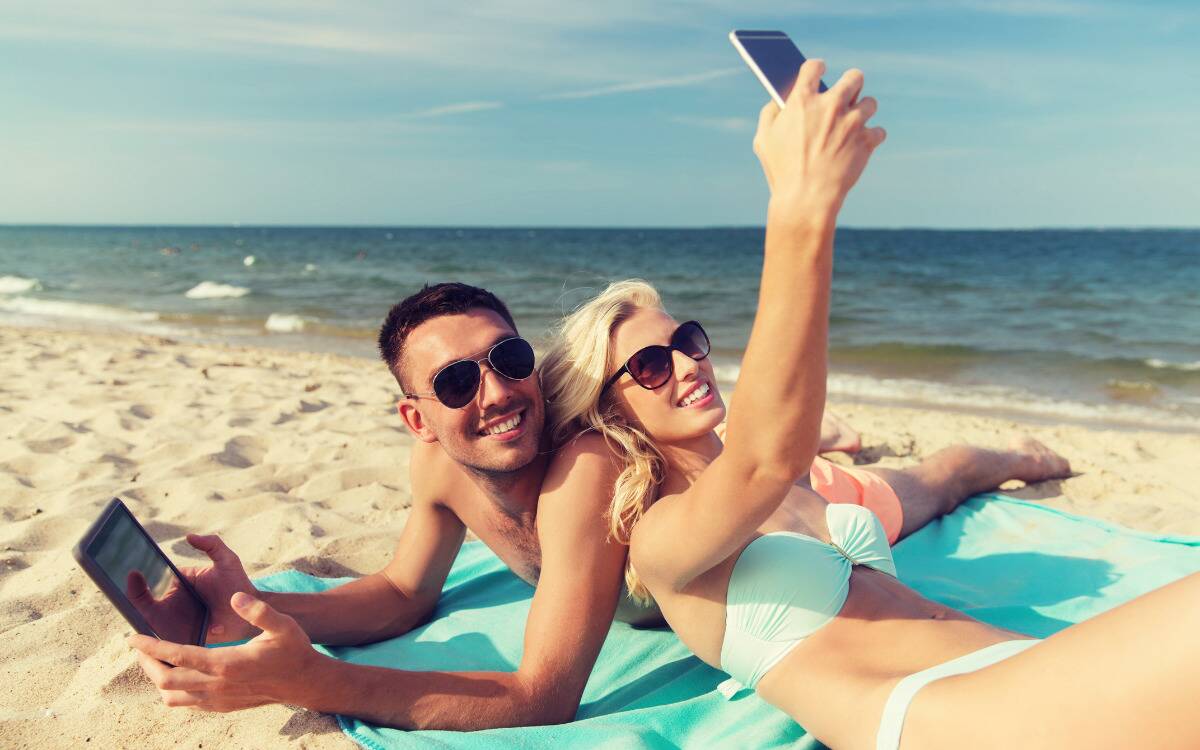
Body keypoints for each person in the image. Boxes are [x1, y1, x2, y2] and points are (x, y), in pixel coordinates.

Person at [539, 58, 1199, 750]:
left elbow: (785, 431)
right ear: (610, 412)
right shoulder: (663, 538)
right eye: (649, 365)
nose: (685, 363)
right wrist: (801, 201)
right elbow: (766, 457)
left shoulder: (785, 482)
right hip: (938, 716)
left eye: (689, 340)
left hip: (1013, 668)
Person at [126, 281, 892, 729]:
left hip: (766, 516)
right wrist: (247, 602)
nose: (497, 395)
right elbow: (400, 596)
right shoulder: (437, 468)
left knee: (911, 494)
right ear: (418, 419)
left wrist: (312, 681)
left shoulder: (584, 470)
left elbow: (545, 696)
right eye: (458, 383)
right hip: (712, 507)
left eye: (509, 360)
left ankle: (999, 453)